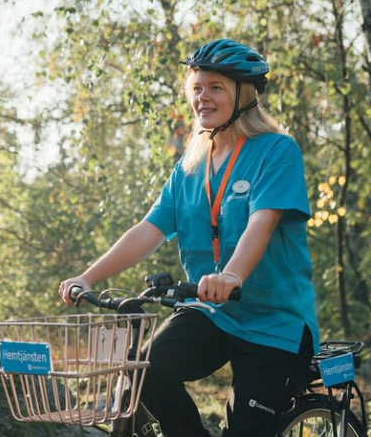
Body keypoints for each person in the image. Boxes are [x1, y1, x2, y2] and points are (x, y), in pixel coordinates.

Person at [58, 39, 319, 437]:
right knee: (146, 371)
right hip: (211, 311)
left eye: (216, 87)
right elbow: (148, 230)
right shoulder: (189, 167)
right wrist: (88, 277)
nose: (202, 98)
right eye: (196, 88)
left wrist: (231, 276)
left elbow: (261, 224)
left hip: (274, 320)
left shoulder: (276, 151)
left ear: (244, 95)